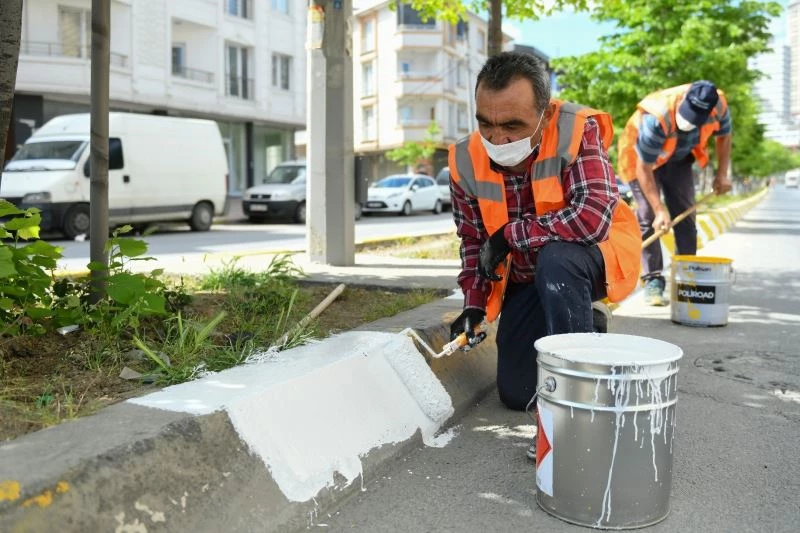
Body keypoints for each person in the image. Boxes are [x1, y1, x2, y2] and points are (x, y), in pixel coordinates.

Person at [447, 52, 642, 459]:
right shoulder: (465, 159)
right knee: (518, 392)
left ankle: (577, 410)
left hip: (584, 260)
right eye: (486, 123)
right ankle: (585, 327)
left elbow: (590, 219)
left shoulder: (575, 130)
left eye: (512, 125)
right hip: (526, 281)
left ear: (544, 113)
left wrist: (510, 235)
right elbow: (472, 243)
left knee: (557, 258)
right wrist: (473, 305)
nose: (497, 139)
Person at [617, 81, 733, 306]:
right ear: (683, 100)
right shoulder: (656, 116)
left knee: (686, 216)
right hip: (640, 159)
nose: (688, 123)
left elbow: (725, 137)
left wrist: (722, 174)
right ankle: (653, 281)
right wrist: (660, 209)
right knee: (649, 215)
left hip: (678, 158)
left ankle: (686, 280)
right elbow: (644, 167)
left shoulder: (719, 105)